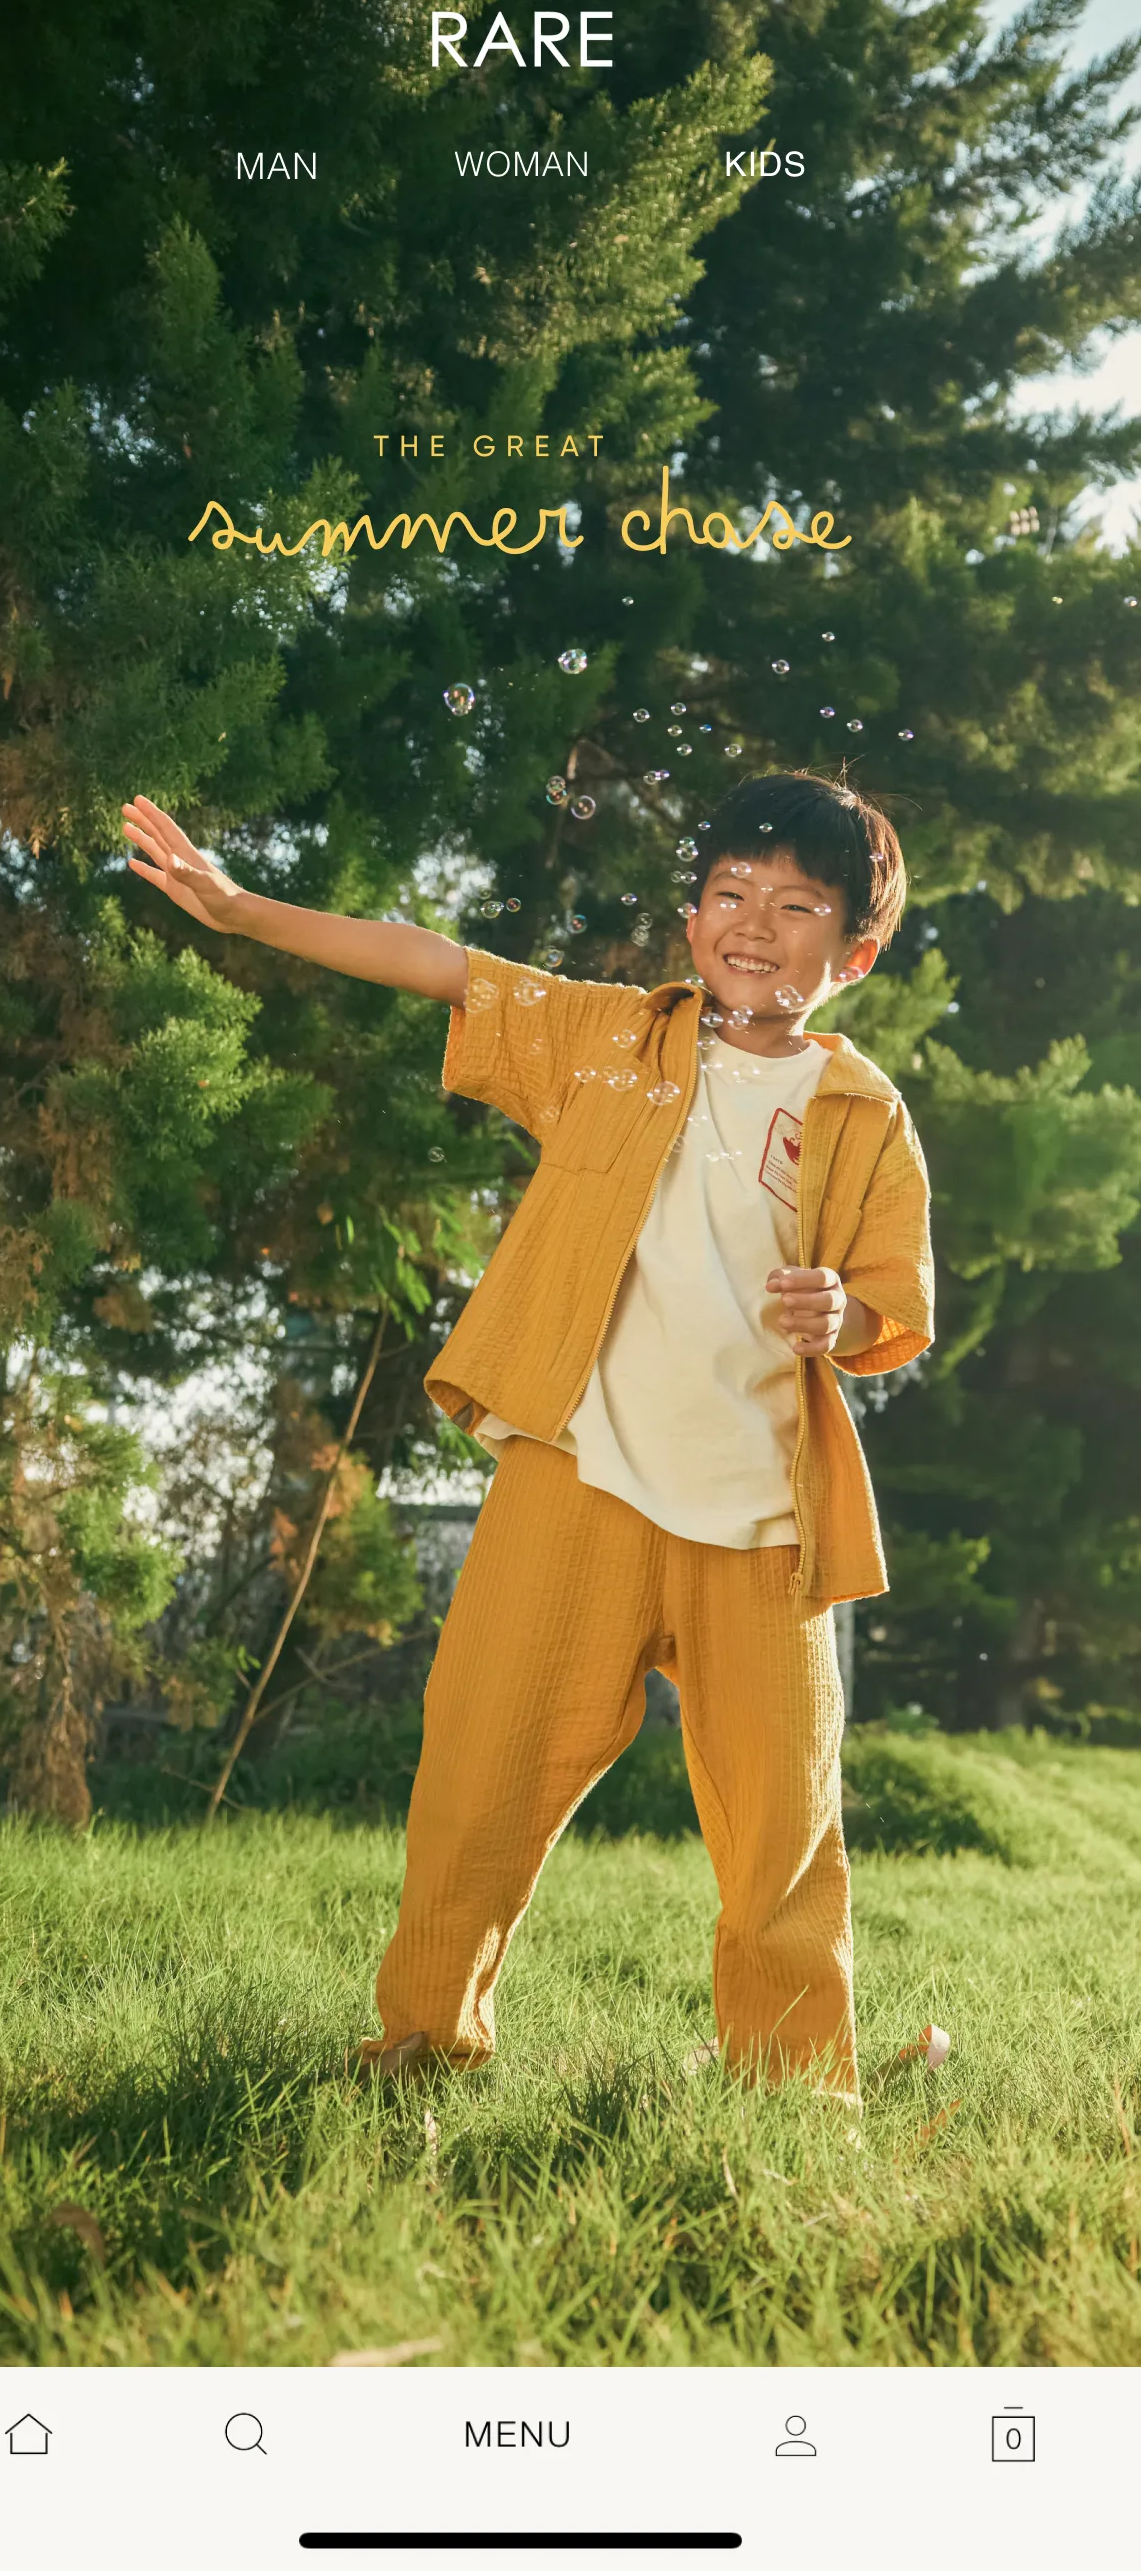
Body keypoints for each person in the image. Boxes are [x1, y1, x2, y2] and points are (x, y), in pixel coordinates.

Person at [121, 771, 934, 2106]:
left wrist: (839, 1312)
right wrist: (245, 911)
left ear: (851, 953)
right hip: (578, 1480)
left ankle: (792, 2091)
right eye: (729, 891)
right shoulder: (609, 1038)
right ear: (691, 919)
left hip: (764, 1523)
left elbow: (890, 1300)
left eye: (796, 906)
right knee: (479, 1776)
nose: (752, 921)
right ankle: (421, 2049)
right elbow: (442, 964)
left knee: (784, 1828)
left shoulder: (862, 1112)